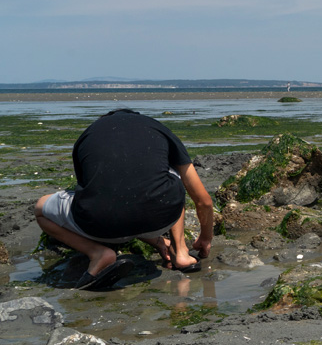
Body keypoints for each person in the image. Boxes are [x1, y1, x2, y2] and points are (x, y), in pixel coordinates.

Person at [33, 109, 214, 291]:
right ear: (136, 117)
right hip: (161, 217)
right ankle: (181, 253)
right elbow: (203, 200)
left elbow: (93, 191)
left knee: (41, 209)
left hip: (97, 225)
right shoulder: (158, 128)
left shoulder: (88, 134)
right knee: (172, 177)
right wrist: (205, 238)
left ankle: (98, 253)